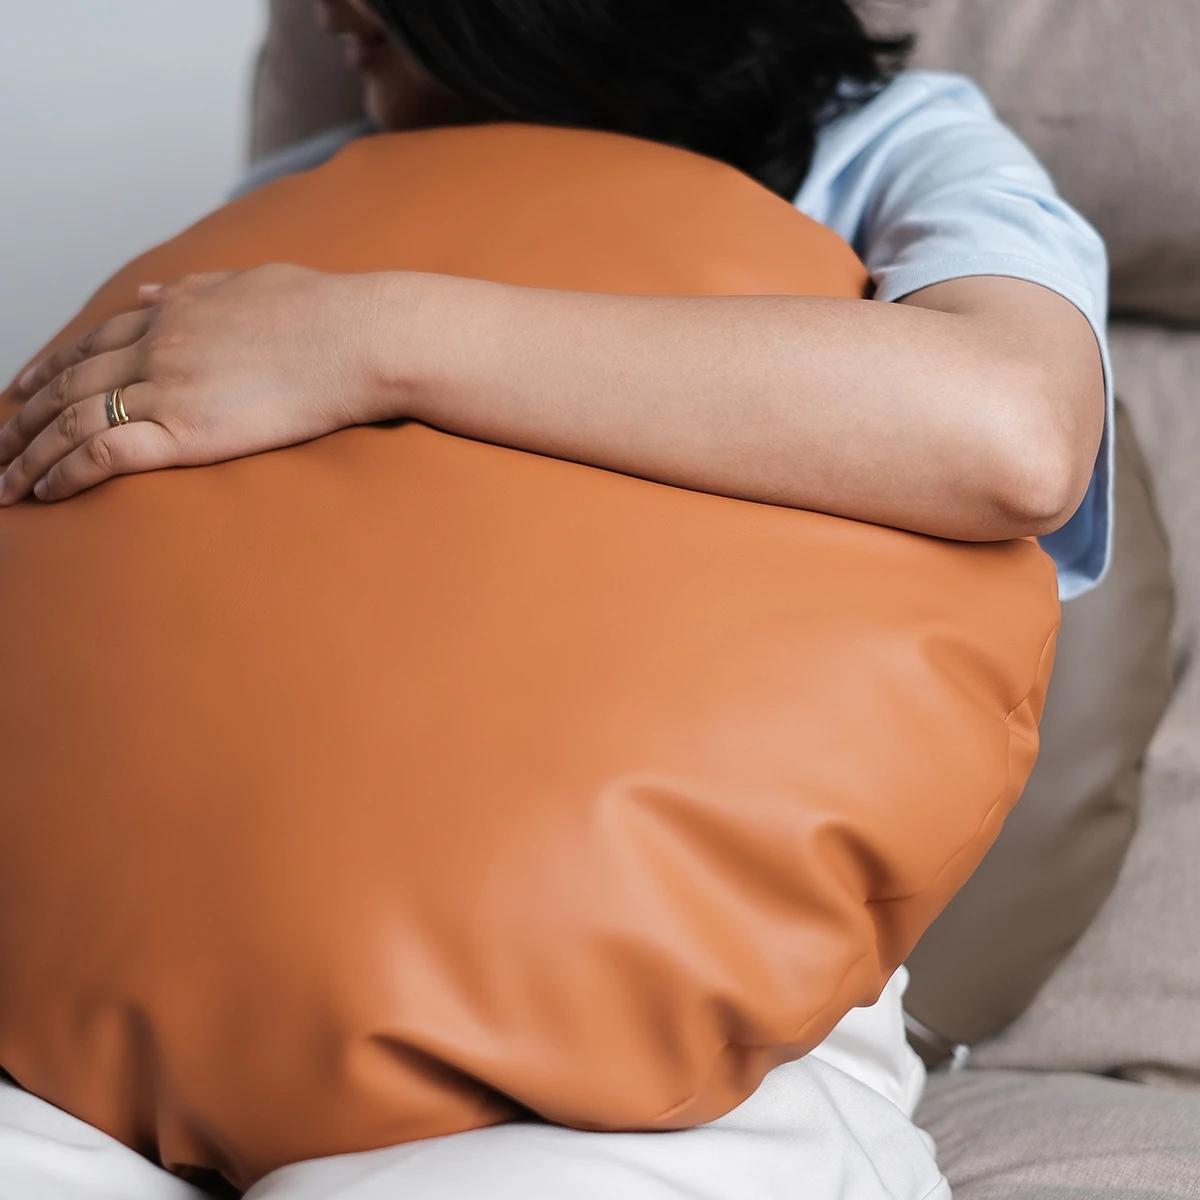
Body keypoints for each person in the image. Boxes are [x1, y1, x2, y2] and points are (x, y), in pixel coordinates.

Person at [0, 1, 1113, 1196]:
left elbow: (1013, 432)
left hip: (675, 1034)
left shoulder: (884, 152)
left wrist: (369, 339)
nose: (322, 12)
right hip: (157, 961)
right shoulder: (309, 191)